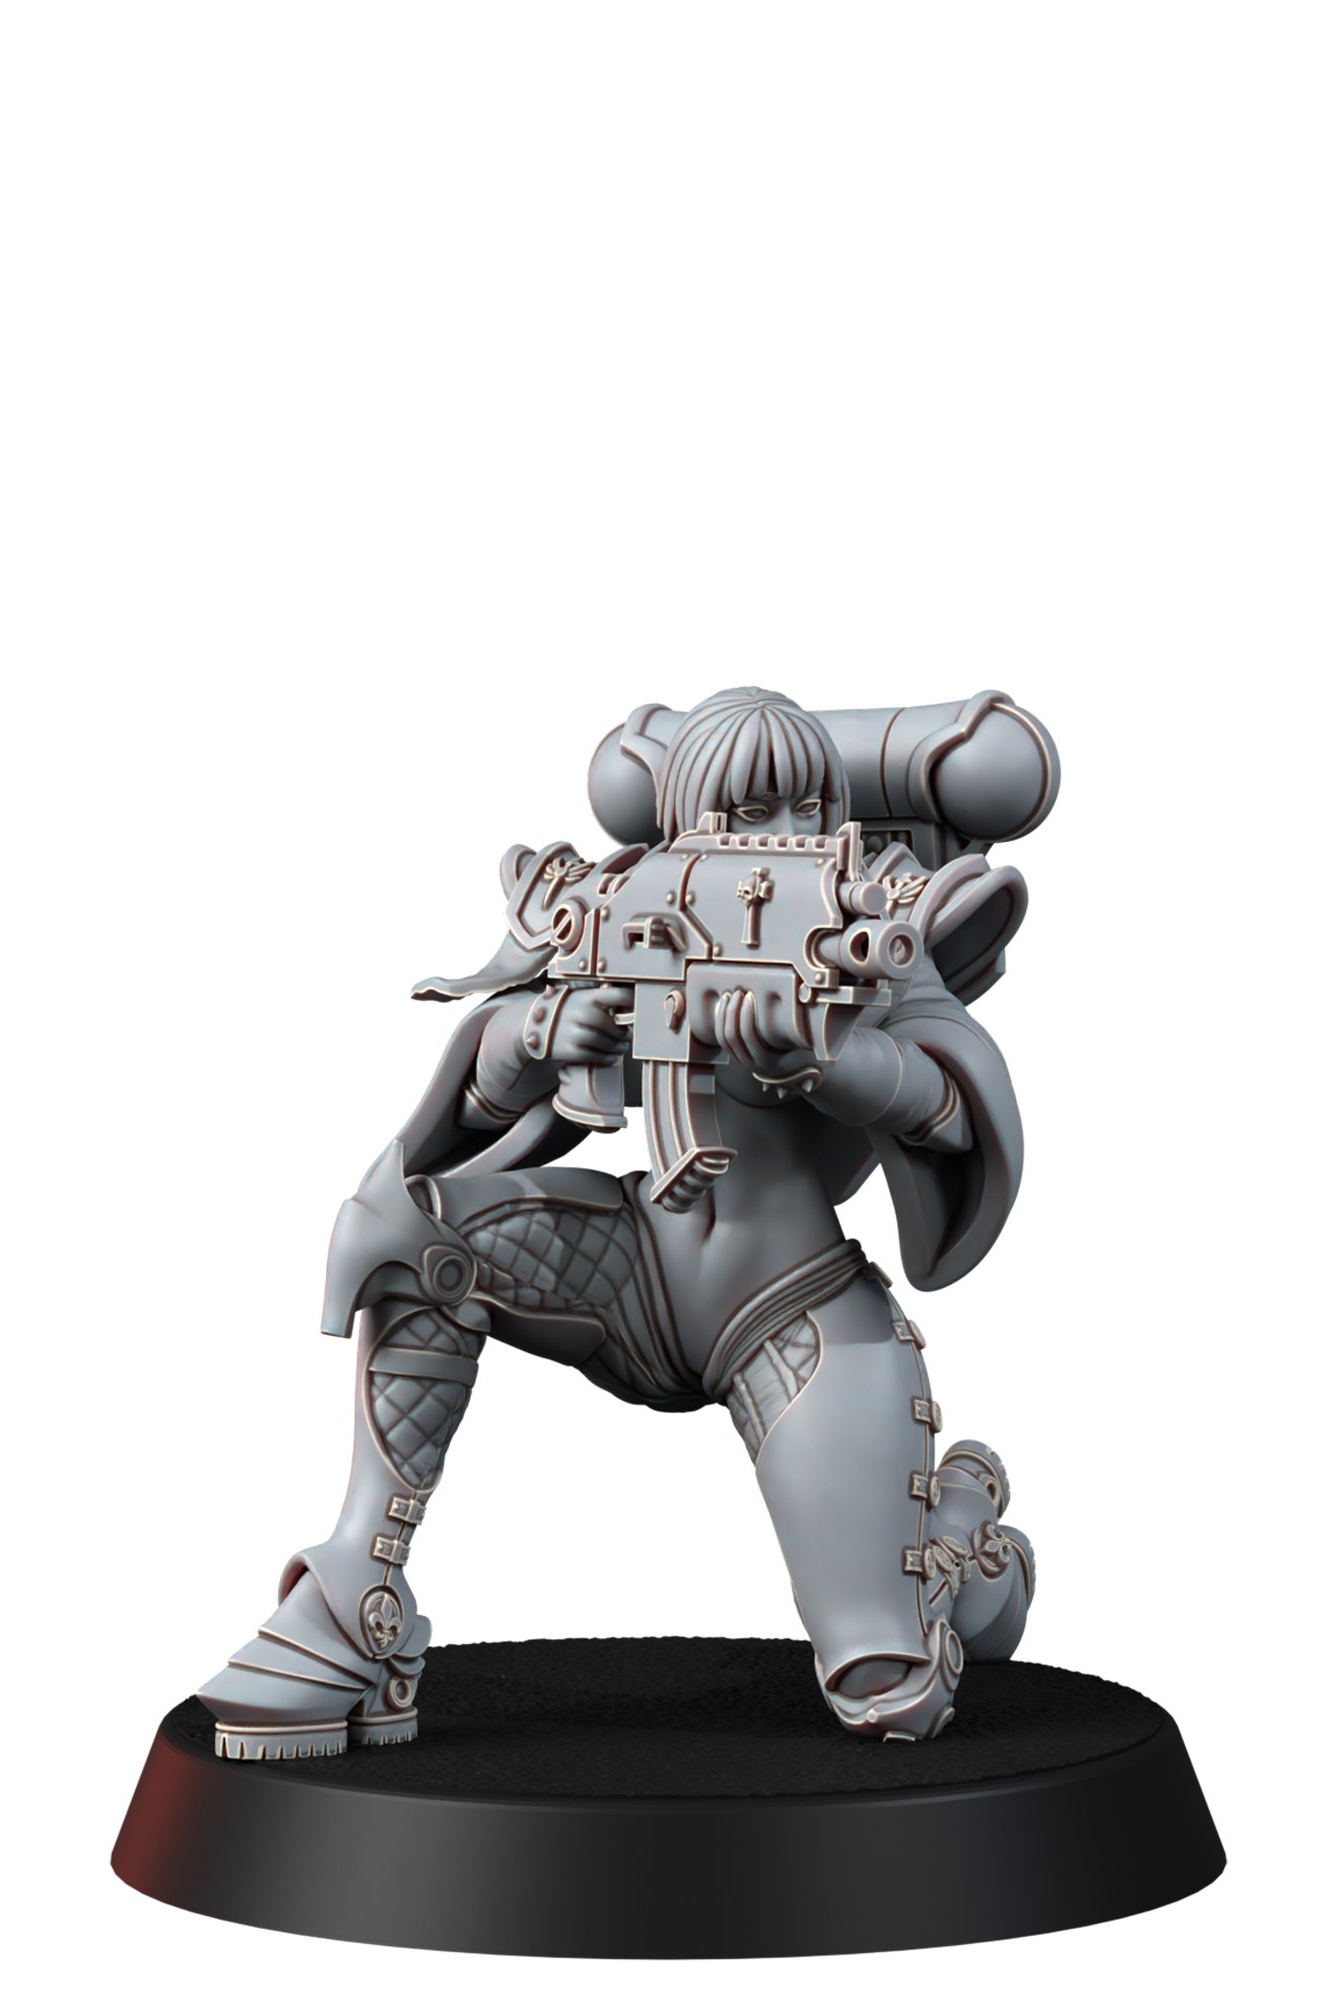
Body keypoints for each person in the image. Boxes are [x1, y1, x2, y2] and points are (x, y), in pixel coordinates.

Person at [200, 688, 1038, 1754]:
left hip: (795, 1311)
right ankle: (355, 1592)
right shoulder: (632, 901)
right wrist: (543, 1033)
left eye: (805, 809)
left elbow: (955, 1101)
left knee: (887, 1694)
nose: (776, 838)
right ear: (681, 817)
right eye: (746, 810)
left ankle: (960, 1537)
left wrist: (832, 1060)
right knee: (412, 1233)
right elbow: (476, 1094)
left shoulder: (858, 926)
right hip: (632, 1272)